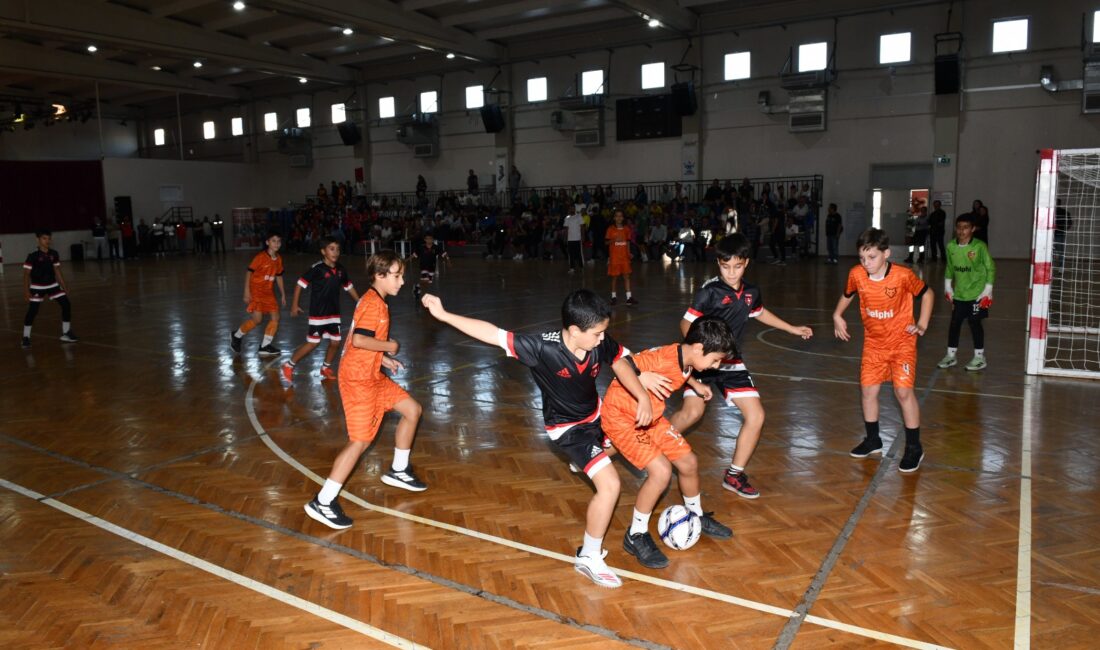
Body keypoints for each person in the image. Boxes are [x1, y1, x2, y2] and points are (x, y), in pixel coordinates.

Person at [421, 289, 658, 589]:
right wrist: (443, 315)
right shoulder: (540, 348)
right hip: (568, 428)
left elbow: (619, 360)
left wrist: (641, 395)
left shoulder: (598, 340)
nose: (602, 338)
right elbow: (493, 334)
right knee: (610, 485)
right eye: (597, 334)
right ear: (574, 330)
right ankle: (589, 556)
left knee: (631, 441)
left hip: (597, 415)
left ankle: (587, 461)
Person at [671, 233, 813, 497]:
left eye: (737, 266)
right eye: (726, 267)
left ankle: (734, 475)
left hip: (732, 362)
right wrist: (698, 349)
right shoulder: (709, 292)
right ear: (718, 264)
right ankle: (656, 443)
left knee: (756, 416)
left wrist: (791, 329)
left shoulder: (751, 292)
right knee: (692, 414)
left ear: (746, 263)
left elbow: (760, 313)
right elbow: (685, 322)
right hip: (704, 363)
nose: (731, 272)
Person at [304, 251, 427, 531]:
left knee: (412, 410)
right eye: (397, 276)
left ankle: (399, 470)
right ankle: (323, 501)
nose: (402, 281)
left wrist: (384, 359)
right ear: (379, 276)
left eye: (402, 275)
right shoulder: (373, 304)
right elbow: (360, 340)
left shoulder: (374, 301)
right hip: (358, 382)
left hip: (371, 374)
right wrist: (390, 347)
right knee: (359, 442)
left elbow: (356, 339)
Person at [602, 316, 735, 569]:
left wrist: (694, 383)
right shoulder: (664, 357)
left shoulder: (685, 358)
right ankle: (636, 534)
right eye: (715, 359)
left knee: (689, 463)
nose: (716, 365)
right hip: (621, 417)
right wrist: (641, 383)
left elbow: (679, 374)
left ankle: (695, 514)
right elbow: (621, 363)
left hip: (651, 416)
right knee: (661, 472)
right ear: (698, 348)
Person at [833, 228, 934, 473]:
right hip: (874, 343)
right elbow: (848, 294)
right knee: (868, 392)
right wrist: (837, 314)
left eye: (872, 257)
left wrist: (922, 324)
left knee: (903, 393)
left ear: (886, 254)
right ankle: (873, 439)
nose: (866, 263)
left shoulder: (902, 276)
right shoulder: (857, 274)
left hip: (902, 343)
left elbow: (928, 294)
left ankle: (913, 447)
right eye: (862, 258)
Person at [282, 237, 360, 384]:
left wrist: (360, 302)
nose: (335, 252)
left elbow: (348, 286)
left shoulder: (341, 270)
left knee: (336, 342)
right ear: (323, 252)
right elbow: (299, 284)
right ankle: (288, 365)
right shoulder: (317, 269)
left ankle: (325, 368)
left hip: (334, 313)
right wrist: (294, 305)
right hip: (318, 314)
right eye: (331, 249)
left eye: (337, 249)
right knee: (313, 343)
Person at [938, 214, 996, 372]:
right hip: (960, 294)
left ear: (973, 229)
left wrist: (987, 290)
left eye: (965, 227)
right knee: (954, 323)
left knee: (974, 323)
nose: (961, 231)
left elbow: (990, 267)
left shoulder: (979, 246)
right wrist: (948, 286)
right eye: (959, 227)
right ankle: (951, 356)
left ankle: (979, 357)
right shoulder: (951, 246)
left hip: (977, 293)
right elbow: (950, 267)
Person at [230, 232, 287, 356]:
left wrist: (283, 293)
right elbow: (249, 272)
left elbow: (279, 277)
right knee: (257, 320)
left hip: (268, 292)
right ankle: (236, 335)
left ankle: (265, 346)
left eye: (279, 241)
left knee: (275, 318)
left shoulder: (279, 259)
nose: (277, 243)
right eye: (273, 241)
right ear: (267, 242)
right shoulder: (260, 257)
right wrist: (246, 291)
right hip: (256, 290)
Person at [21, 230, 78, 347]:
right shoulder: (32, 256)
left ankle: (66, 332)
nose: (47, 241)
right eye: (44, 238)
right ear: (38, 240)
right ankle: (25, 337)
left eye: (49, 238)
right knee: (33, 311)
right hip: (37, 287)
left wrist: (64, 285)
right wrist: (26, 291)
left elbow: (57, 270)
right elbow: (26, 274)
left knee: (66, 304)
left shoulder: (54, 253)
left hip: (53, 285)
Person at [606, 209, 637, 306]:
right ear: (614, 218)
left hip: (624, 257)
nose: (619, 217)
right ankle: (613, 297)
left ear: (623, 218)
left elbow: (627, 242)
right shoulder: (610, 229)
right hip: (615, 257)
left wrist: (629, 253)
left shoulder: (627, 229)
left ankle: (629, 298)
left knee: (626, 277)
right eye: (617, 216)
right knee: (614, 277)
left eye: (621, 216)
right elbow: (606, 242)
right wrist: (613, 239)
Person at [410, 233, 448, 303]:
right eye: (427, 239)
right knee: (425, 279)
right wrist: (407, 260)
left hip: (432, 267)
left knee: (428, 282)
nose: (429, 240)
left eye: (431, 239)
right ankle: (423, 296)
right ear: (425, 240)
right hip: (423, 266)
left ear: (433, 240)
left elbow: (444, 254)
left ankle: (417, 287)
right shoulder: (421, 247)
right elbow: (414, 255)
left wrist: (448, 260)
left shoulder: (436, 247)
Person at [563, 209, 585, 274]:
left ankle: (581, 266)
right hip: (570, 239)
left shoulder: (579, 216)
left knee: (579, 254)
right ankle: (572, 268)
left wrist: (583, 236)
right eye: (570, 208)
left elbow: (582, 227)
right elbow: (566, 229)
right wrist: (565, 238)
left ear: (574, 209)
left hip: (577, 238)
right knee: (571, 254)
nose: (571, 209)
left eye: (572, 207)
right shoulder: (567, 218)